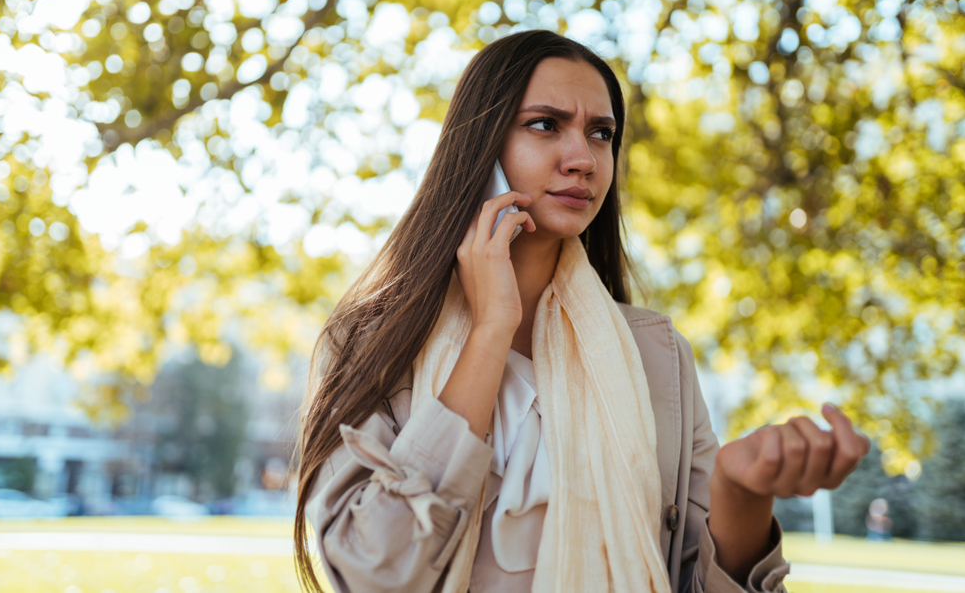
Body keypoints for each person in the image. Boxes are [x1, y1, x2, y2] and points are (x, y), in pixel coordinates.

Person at [293, 30, 871, 593]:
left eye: (601, 134)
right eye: (545, 125)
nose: (583, 159)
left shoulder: (658, 357)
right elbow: (374, 572)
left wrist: (741, 493)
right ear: (480, 149)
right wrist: (492, 327)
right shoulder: (370, 342)